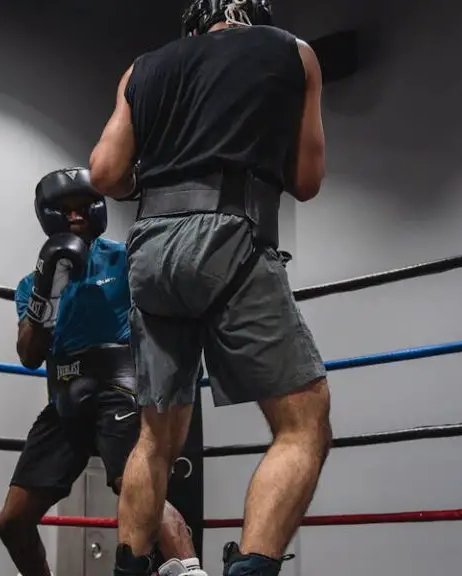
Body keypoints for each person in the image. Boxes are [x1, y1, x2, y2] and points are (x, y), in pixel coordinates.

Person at [87, 1, 333, 575]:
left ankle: (129, 570)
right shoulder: (293, 52)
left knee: (156, 437)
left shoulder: (141, 67)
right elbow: (307, 180)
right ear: (255, 14)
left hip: (147, 251)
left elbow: (103, 173)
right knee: (303, 425)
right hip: (229, 237)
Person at [0, 167, 205, 576]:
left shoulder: (127, 259)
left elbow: (172, 304)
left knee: (135, 485)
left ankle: (191, 572)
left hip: (119, 392)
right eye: (64, 209)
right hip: (64, 401)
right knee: (13, 521)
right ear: (48, 216)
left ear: (98, 209)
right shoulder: (31, 282)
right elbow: (28, 355)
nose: (74, 216)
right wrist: (47, 292)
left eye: (82, 206)